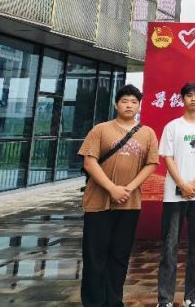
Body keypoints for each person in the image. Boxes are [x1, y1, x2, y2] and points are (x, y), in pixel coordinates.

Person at [78, 84, 159, 307]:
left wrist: (129, 188)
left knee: (119, 256)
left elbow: (151, 164)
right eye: (124, 101)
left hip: (129, 204)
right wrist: (112, 188)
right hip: (98, 203)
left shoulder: (147, 133)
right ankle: (93, 302)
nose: (129, 105)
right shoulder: (101, 129)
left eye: (134, 102)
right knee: (95, 256)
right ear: (116, 104)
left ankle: (114, 301)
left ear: (139, 106)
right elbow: (89, 162)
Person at [157, 82, 195, 307]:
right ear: (182, 99)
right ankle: (164, 299)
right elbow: (168, 157)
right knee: (169, 246)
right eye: (189, 95)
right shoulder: (173, 126)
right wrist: (182, 184)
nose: (193, 99)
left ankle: (192, 297)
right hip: (174, 195)